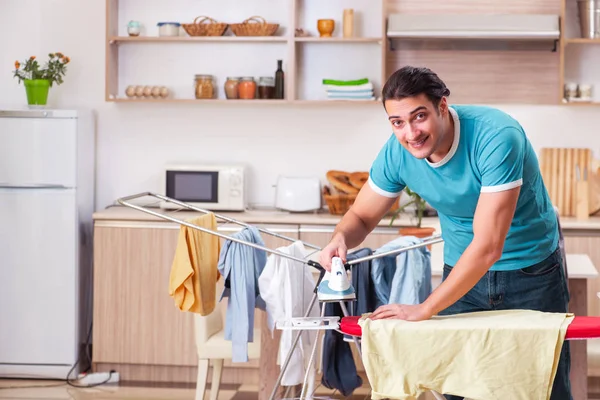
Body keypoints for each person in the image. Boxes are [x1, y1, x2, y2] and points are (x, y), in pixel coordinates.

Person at [318, 66, 571, 400]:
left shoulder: (497, 137)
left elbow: (488, 246)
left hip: (532, 272)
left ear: (442, 106)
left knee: (541, 387)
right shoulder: (398, 153)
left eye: (419, 116)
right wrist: (340, 238)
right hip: (462, 277)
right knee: (457, 384)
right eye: (397, 122)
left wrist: (425, 308)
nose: (410, 133)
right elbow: (362, 217)